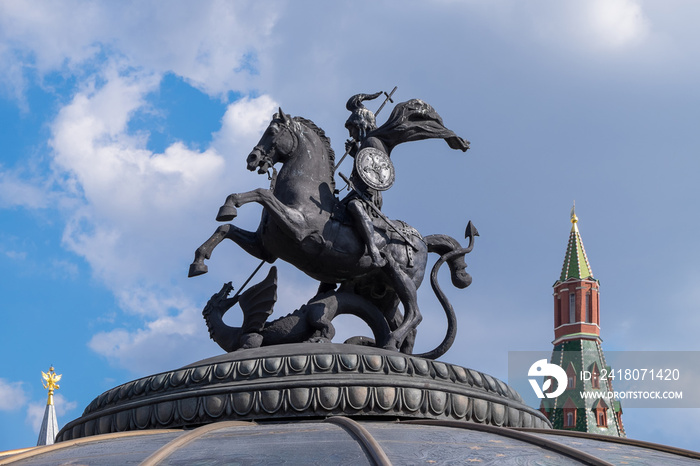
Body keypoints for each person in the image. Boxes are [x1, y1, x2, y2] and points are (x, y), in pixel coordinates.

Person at [343, 92, 387, 267]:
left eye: (352, 127)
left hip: (369, 195)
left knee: (354, 206)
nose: (350, 132)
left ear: (361, 125)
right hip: (358, 192)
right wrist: (356, 155)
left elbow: (378, 172)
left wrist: (358, 155)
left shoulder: (373, 143)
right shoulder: (364, 145)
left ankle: (373, 250)